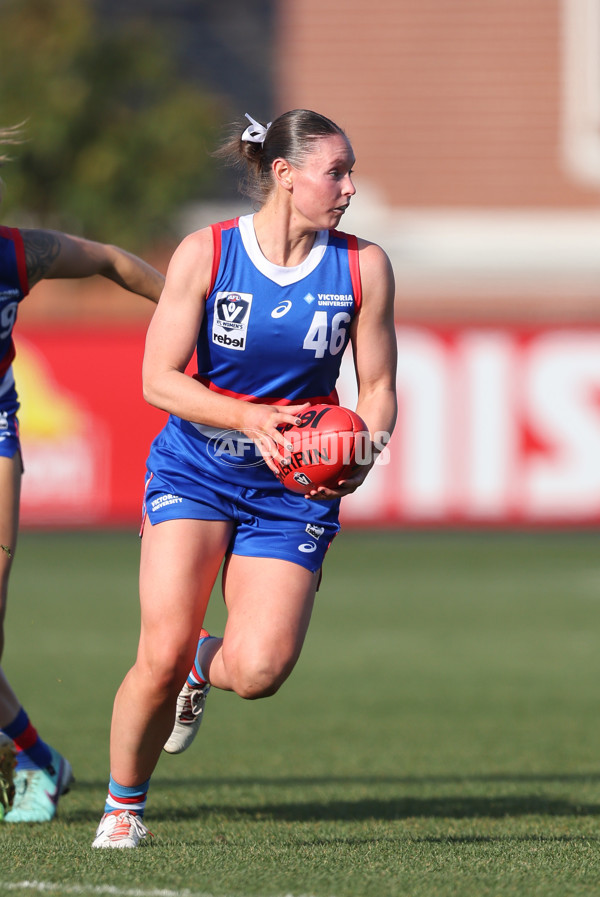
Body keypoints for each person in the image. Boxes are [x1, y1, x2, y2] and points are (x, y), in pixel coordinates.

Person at [91, 109, 398, 849]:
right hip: (196, 468)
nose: (350, 187)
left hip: (291, 492)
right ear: (285, 175)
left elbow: (380, 386)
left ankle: (208, 660)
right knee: (159, 654)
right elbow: (158, 379)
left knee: (259, 670)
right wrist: (246, 418)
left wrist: (365, 450)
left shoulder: (364, 265)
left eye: (351, 172)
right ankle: (123, 808)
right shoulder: (207, 252)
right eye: (336, 172)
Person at [0, 126, 165, 823]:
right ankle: (38, 759)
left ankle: (35, 761)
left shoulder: (15, 252)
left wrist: (191, 311)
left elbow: (109, 260)